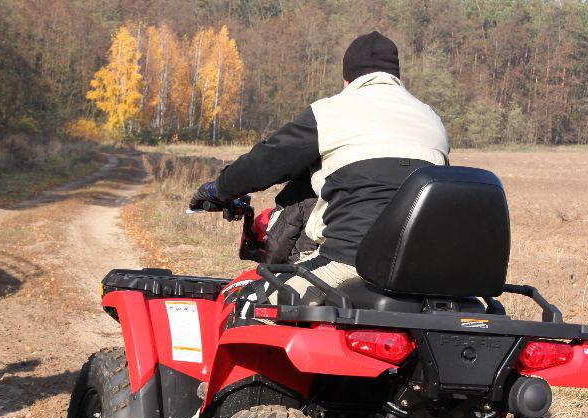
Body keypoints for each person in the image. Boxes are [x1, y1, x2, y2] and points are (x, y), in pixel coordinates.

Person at [189, 31, 450, 304]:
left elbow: (265, 162)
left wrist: (217, 189)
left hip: (348, 263)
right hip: (419, 271)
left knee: (247, 308)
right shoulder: (431, 119)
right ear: (395, 76)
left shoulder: (330, 112)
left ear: (347, 79)